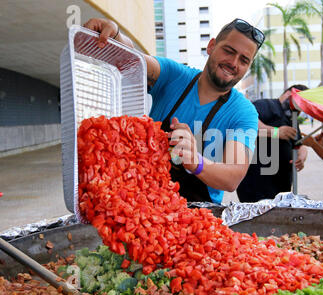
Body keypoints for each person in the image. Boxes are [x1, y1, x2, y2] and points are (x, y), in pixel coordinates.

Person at [83, 18, 264, 203]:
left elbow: (232, 178)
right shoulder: (174, 76)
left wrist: (196, 161)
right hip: (141, 203)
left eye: (244, 60)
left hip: (197, 216)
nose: (234, 63)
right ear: (211, 46)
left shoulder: (244, 112)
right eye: (229, 51)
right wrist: (114, 35)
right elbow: (133, 58)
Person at [236, 85, 309, 202]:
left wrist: (302, 156)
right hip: (256, 184)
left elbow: (299, 144)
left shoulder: (292, 120)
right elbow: (248, 125)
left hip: (281, 187)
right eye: (298, 101)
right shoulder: (266, 105)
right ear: (289, 93)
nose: (298, 108)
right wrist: (276, 132)